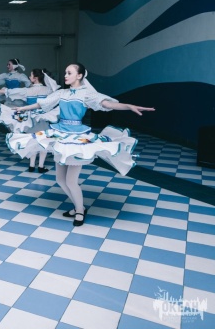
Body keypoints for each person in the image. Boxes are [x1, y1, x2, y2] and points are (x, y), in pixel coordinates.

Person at [9, 63, 154, 227]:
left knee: (71, 181)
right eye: (65, 72)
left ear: (79, 76)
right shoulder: (62, 93)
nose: (65, 75)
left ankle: (79, 211)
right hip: (60, 134)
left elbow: (107, 104)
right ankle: (79, 207)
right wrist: (23, 109)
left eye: (69, 73)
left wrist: (128, 106)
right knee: (60, 179)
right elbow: (41, 104)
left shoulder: (86, 94)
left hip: (77, 138)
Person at [0, 68, 60, 173]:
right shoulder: (48, 90)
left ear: (35, 78)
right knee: (44, 141)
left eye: (31, 75)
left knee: (32, 141)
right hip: (43, 118)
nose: (29, 77)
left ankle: (31, 165)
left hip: (30, 119)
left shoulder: (27, 90)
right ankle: (41, 166)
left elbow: (9, 92)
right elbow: (55, 92)